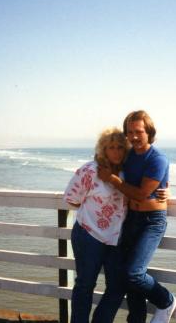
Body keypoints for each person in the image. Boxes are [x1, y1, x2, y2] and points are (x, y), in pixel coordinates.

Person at [99, 110, 176, 323]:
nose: (134, 136)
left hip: (152, 221)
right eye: (130, 132)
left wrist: (113, 180)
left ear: (149, 131)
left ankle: (166, 300)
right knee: (128, 280)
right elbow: (106, 159)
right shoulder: (129, 155)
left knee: (134, 273)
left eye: (139, 131)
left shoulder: (158, 159)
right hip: (131, 218)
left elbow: (142, 194)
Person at [63, 127, 129, 323]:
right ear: (103, 149)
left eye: (120, 147)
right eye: (111, 147)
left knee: (117, 286)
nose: (116, 152)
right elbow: (71, 198)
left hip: (116, 238)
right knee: (85, 285)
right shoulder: (90, 170)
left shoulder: (127, 172)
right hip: (88, 234)